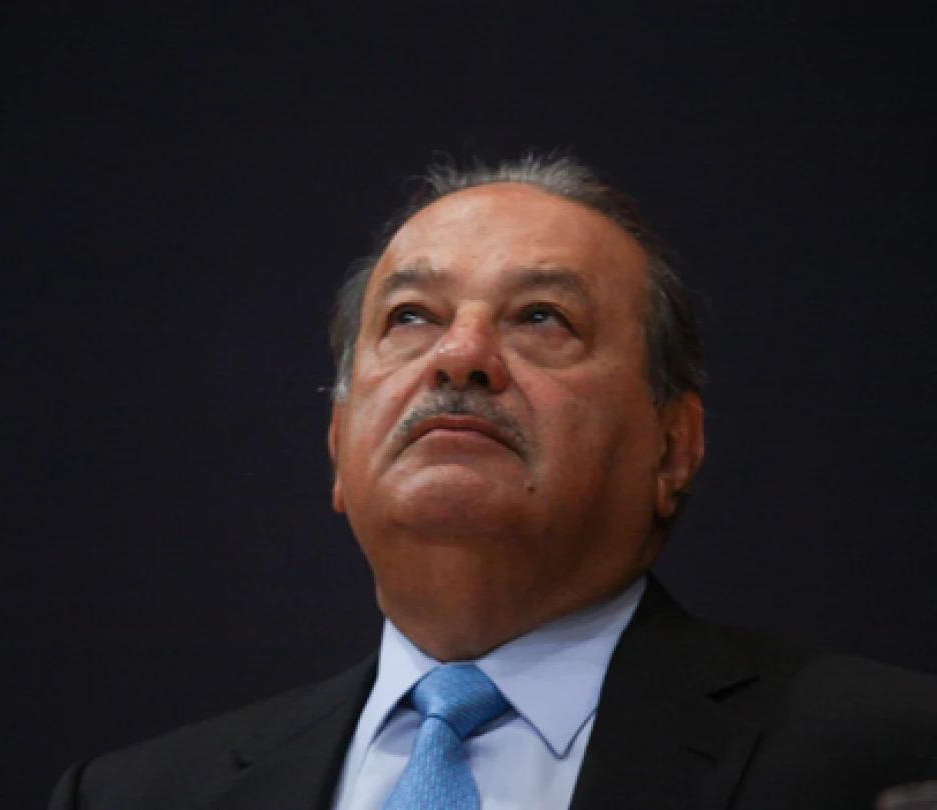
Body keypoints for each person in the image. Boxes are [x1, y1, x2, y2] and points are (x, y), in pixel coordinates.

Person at [47, 155, 937, 810]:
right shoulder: (135, 797)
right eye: (411, 316)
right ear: (338, 445)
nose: (460, 355)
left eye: (542, 317)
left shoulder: (891, 757)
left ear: (674, 449)